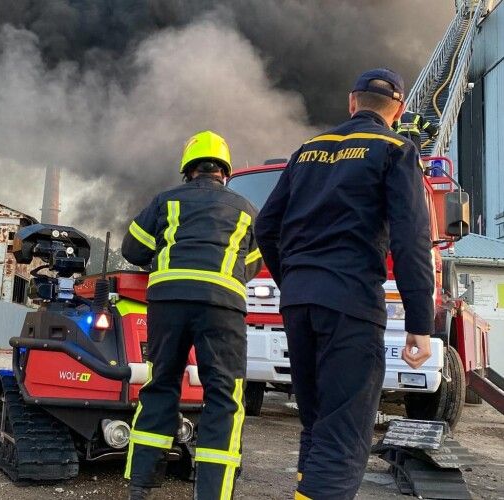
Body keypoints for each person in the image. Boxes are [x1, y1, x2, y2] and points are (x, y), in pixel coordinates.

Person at [255, 68, 434, 500]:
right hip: (351, 305)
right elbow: (411, 240)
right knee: (343, 436)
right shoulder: (396, 149)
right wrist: (420, 324)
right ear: (399, 112)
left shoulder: (306, 151)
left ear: (351, 103)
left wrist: (294, 282)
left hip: (298, 305)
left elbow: (265, 228)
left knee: (318, 426)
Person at [121, 131, 262, 500]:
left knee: (161, 384)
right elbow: (253, 263)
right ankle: (212, 493)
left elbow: (133, 249)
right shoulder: (247, 209)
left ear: (187, 170)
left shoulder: (166, 201)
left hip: (169, 304)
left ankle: (140, 485)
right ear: (225, 172)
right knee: (224, 396)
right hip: (222, 307)